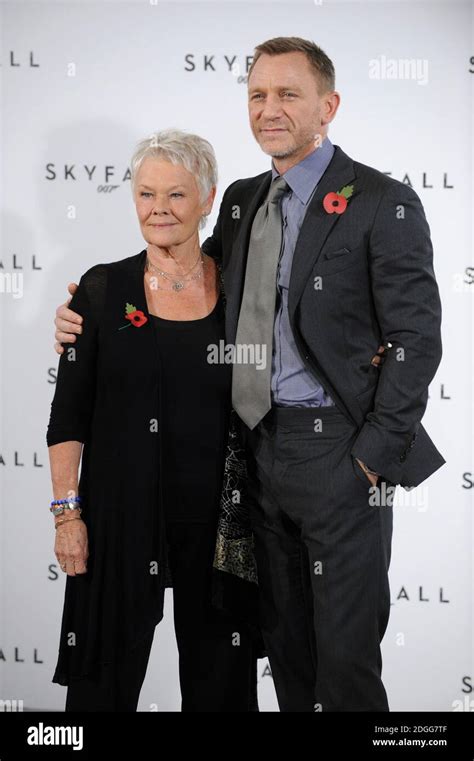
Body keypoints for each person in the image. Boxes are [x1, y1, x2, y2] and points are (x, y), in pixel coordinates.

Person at [53, 36, 443, 712]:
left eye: (288, 94)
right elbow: (183, 277)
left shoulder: (382, 201)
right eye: (258, 94)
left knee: (345, 665)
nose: (269, 109)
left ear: (329, 106)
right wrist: (87, 311)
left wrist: (371, 460)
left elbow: (417, 338)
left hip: (340, 455)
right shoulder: (238, 202)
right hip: (255, 459)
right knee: (286, 650)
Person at [47, 129, 260, 712]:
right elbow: (68, 415)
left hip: (220, 525)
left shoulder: (239, 286)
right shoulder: (101, 288)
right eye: (145, 195)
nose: (158, 210)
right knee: (100, 693)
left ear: (208, 198)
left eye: (176, 196)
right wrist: (68, 516)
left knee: (223, 690)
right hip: (120, 520)